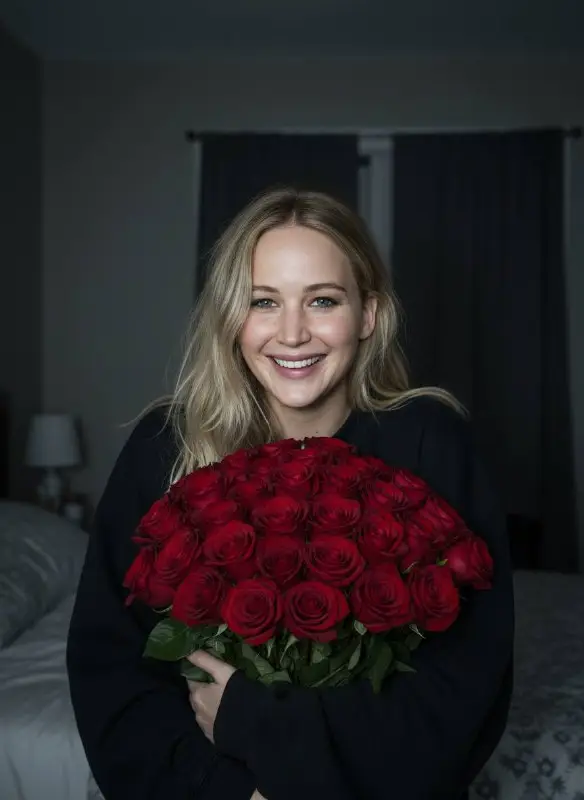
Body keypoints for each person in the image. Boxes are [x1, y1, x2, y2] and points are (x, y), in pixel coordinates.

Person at [67, 187, 514, 800]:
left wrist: (263, 726)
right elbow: (111, 669)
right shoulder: (163, 445)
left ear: (369, 315)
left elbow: (465, 686)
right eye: (263, 302)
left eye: (323, 301)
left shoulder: (430, 441)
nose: (293, 333)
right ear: (231, 317)